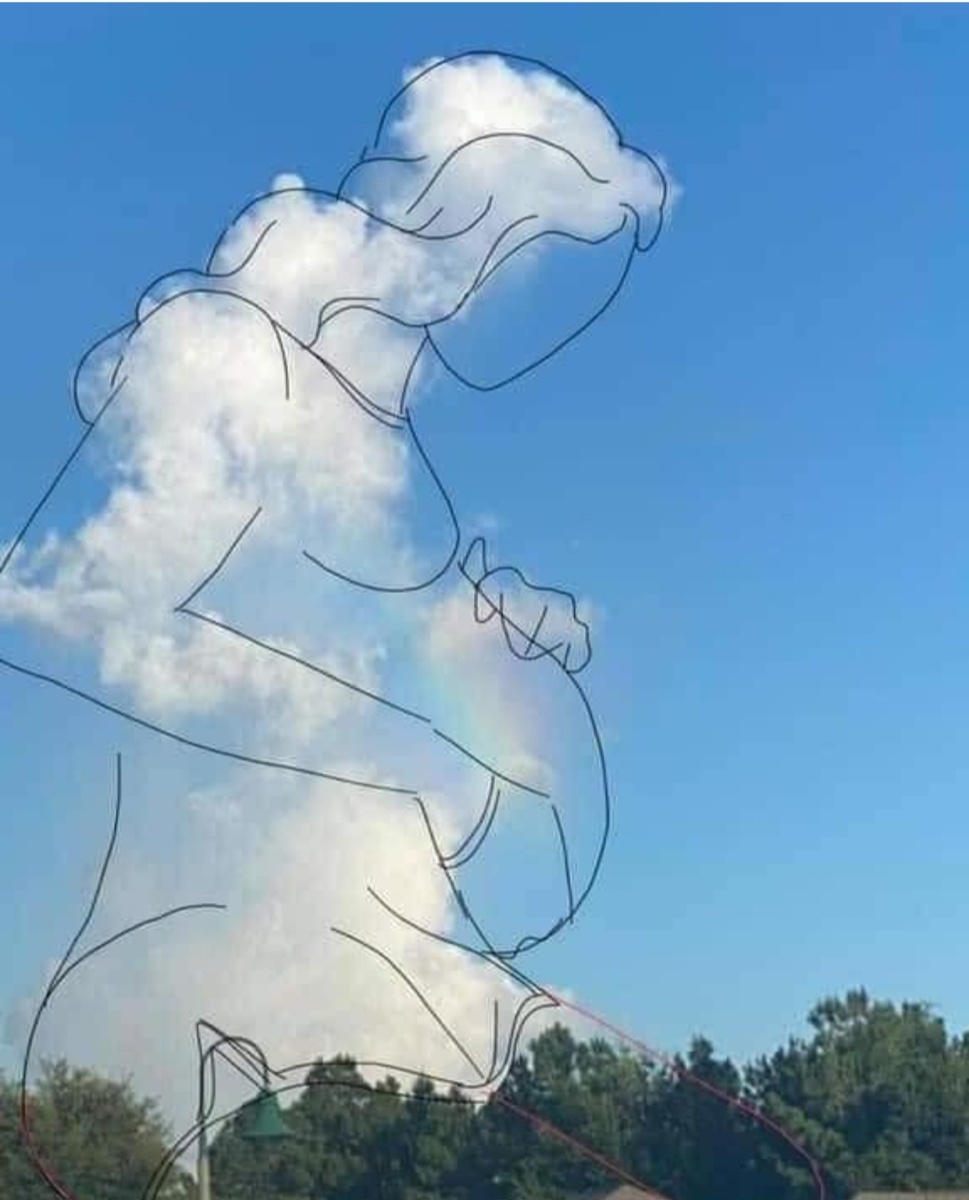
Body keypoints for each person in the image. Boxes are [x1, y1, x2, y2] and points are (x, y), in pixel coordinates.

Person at [0, 53, 671, 1171]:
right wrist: (414, 727)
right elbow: (66, 621)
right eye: (553, 268)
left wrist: (508, 652)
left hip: (369, 922)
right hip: (206, 917)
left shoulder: (410, 464)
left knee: (487, 1083)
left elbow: (427, 699)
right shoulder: (228, 355)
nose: (547, 325)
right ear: (470, 238)